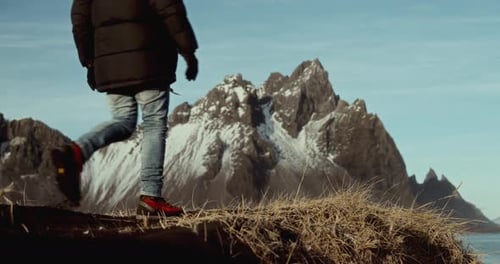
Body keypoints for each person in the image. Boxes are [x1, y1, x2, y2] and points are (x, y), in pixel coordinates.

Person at [50, 0, 199, 218]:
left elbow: (80, 20)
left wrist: (90, 63)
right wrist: (188, 50)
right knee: (153, 124)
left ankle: (76, 151)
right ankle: (151, 198)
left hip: (110, 62)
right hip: (151, 57)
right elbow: (170, 8)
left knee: (123, 121)